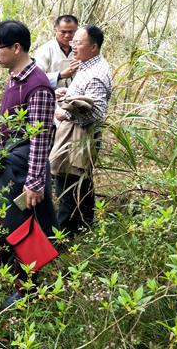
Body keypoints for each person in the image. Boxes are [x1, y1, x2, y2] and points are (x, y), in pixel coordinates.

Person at [0, 20, 58, 304]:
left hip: (25, 170)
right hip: (9, 165)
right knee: (5, 219)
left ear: (16, 48)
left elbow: (40, 138)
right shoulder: (16, 76)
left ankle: (26, 287)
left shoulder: (37, 86)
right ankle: (3, 264)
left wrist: (34, 182)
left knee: (25, 228)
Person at [51, 25, 112, 234]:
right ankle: (84, 226)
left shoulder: (96, 73)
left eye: (78, 42)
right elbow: (87, 99)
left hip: (79, 136)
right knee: (80, 181)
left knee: (68, 182)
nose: (72, 46)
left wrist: (65, 113)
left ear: (94, 47)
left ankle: (62, 233)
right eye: (73, 42)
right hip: (75, 134)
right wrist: (68, 94)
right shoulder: (86, 65)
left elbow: (96, 113)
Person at [34, 15, 80, 89]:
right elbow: (35, 78)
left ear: (77, 31)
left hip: (78, 96)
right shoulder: (44, 50)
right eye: (63, 32)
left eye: (71, 32)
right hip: (51, 96)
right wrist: (60, 75)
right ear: (56, 30)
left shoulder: (82, 49)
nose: (67, 35)